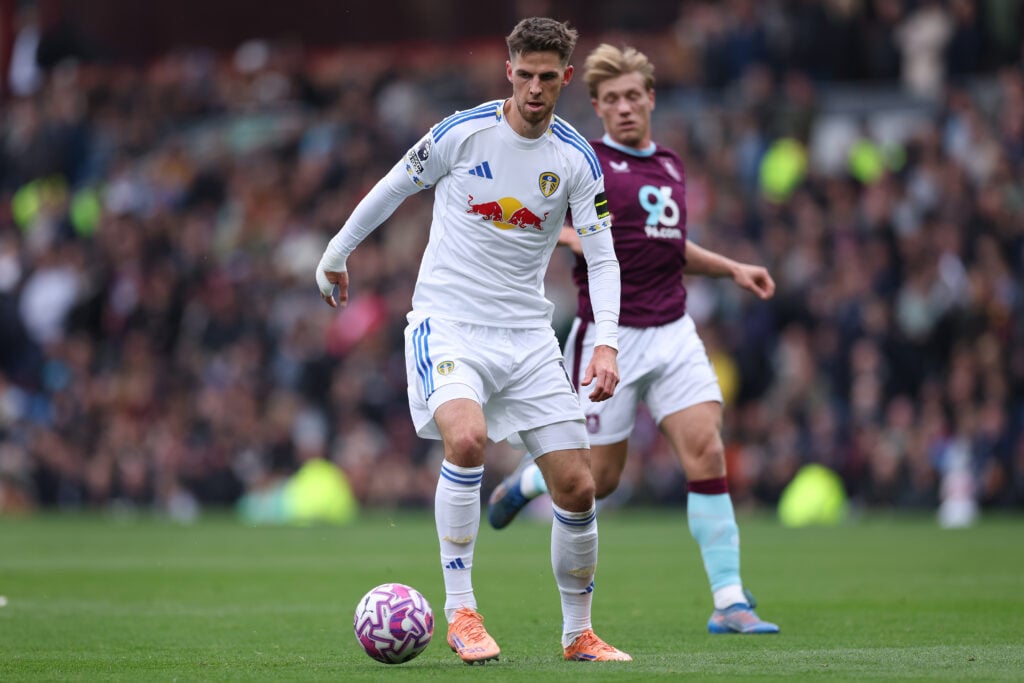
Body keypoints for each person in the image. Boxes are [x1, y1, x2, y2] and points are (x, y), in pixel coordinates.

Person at [315, 18, 632, 664]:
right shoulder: (463, 133)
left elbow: (602, 256)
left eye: (549, 77)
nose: (536, 88)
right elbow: (393, 186)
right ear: (507, 70)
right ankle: (461, 610)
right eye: (526, 75)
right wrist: (337, 251)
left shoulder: (577, 158)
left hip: (527, 334)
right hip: (449, 321)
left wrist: (606, 344)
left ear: (567, 78)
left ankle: (578, 634)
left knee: (577, 486)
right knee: (466, 437)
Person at [487, 43, 781, 635]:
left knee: (707, 450)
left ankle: (730, 601)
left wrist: (731, 268)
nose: (623, 108)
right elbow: (533, 214)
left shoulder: (670, 165)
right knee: (602, 480)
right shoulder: (581, 161)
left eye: (632, 96)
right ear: (596, 106)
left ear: (651, 99)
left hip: (673, 330)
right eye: (611, 99)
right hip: (609, 336)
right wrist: (570, 238)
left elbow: (667, 246)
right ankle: (526, 479)